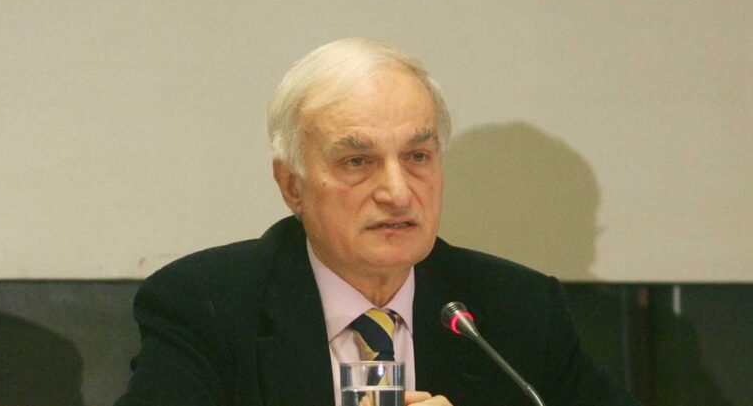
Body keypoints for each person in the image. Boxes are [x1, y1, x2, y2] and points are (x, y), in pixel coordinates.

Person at [115, 38, 641, 406]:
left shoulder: (514, 311)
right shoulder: (209, 306)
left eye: (417, 157)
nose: (397, 192)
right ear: (292, 185)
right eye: (357, 161)